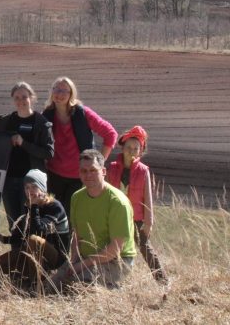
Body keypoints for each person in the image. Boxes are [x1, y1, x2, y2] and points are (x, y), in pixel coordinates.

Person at [50, 149, 137, 291]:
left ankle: (112, 289)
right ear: (79, 173)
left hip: (117, 260)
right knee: (51, 286)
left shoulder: (117, 202)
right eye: (84, 171)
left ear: (103, 171)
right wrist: (73, 261)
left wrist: (82, 265)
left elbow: (115, 249)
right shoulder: (77, 198)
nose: (88, 175)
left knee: (80, 286)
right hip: (86, 258)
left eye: (93, 170)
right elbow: (77, 236)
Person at [42, 76, 118, 215]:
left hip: (81, 176)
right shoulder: (47, 115)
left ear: (71, 94)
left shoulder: (83, 114)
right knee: (53, 217)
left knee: (74, 218)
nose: (59, 94)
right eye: (56, 89)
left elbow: (110, 134)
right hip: (53, 176)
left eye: (64, 91)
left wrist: (99, 163)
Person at [106, 125, 168, 284]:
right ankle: (111, 278)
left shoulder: (143, 171)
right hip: (115, 216)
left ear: (141, 151)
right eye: (129, 147)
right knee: (112, 248)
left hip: (137, 218)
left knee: (145, 248)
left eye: (136, 148)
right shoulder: (112, 168)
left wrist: (149, 222)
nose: (132, 151)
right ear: (122, 148)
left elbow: (148, 198)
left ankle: (162, 280)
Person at [0, 169, 70, 294]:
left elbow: (37, 231)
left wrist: (34, 206)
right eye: (27, 187)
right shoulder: (30, 206)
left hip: (57, 258)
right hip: (35, 253)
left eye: (34, 186)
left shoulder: (55, 207)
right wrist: (4, 239)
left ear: (43, 188)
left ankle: (37, 285)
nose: (30, 191)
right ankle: (27, 278)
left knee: (33, 240)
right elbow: (25, 235)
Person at [0, 82, 55, 225]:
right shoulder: (4, 121)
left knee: (31, 222)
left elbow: (49, 152)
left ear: (32, 98)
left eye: (24, 97)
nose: (20, 101)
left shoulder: (42, 123)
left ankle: (31, 247)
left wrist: (24, 144)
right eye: (17, 98)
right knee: (13, 222)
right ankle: (16, 248)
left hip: (32, 182)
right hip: (8, 179)